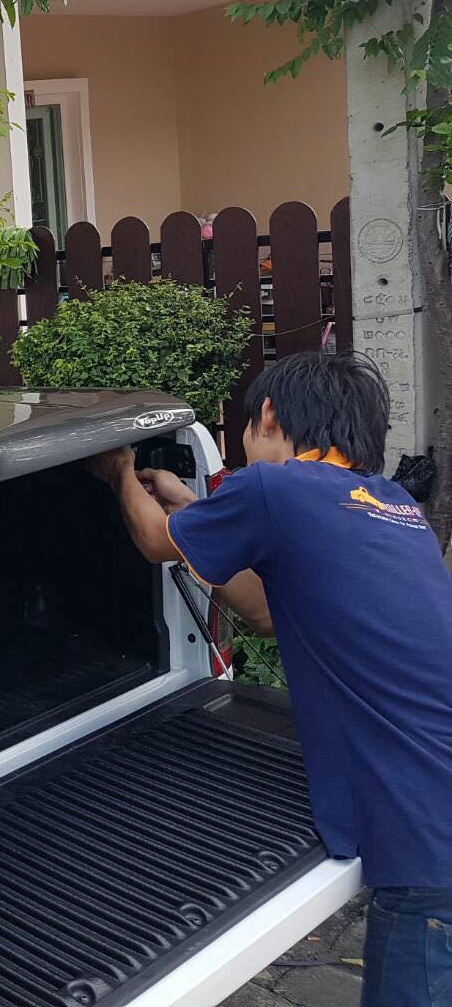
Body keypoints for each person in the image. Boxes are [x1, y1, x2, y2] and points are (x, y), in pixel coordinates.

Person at [89, 351, 452, 1007]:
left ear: (269, 415)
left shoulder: (274, 490)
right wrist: (192, 507)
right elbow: (259, 610)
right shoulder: (393, 504)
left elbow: (153, 542)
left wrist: (118, 473)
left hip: (430, 840)